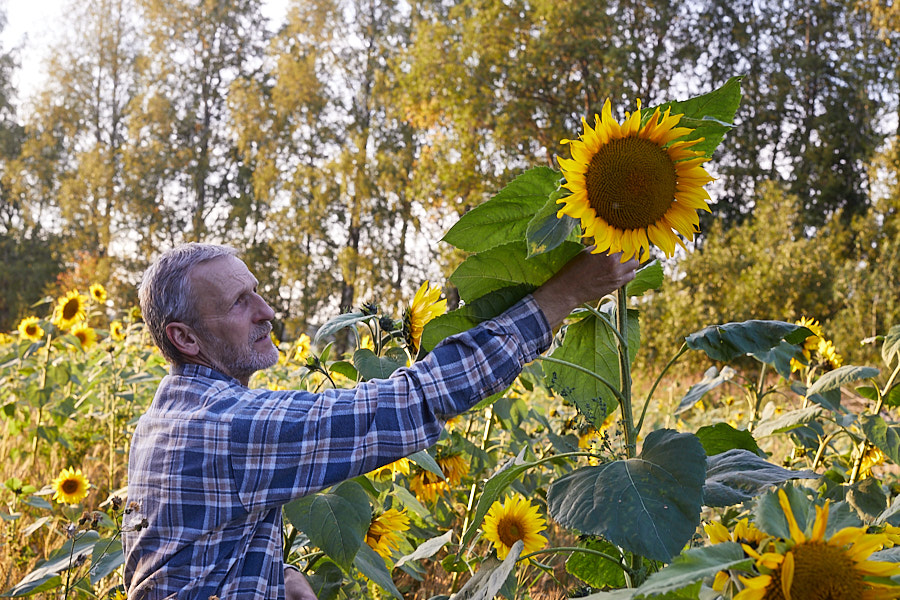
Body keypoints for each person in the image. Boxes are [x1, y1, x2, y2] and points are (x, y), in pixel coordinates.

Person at [122, 242, 638, 599]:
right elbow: (411, 400)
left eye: (256, 291)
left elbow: (187, 555)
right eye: (240, 302)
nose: (268, 310)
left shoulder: (169, 417)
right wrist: (562, 296)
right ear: (185, 338)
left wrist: (274, 577)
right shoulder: (223, 428)